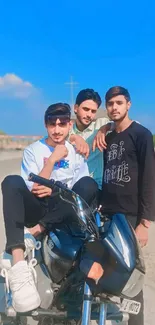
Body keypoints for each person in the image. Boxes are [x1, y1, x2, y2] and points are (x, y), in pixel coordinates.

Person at [0, 103, 98, 313]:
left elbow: (81, 191)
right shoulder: (33, 150)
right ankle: (18, 263)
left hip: (65, 208)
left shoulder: (77, 152)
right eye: (52, 124)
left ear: (69, 125)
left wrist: (54, 189)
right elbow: (36, 188)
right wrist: (52, 159)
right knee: (10, 181)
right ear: (45, 125)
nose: (57, 129)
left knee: (90, 185)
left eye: (62, 124)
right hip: (39, 207)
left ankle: (37, 231)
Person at [93, 86, 155, 325]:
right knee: (107, 271)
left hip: (130, 217)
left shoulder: (141, 135)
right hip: (107, 213)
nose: (114, 107)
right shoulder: (108, 135)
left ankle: (136, 322)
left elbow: (149, 179)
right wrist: (103, 127)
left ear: (128, 105)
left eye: (119, 103)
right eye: (110, 104)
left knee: (132, 275)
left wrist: (145, 222)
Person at [69, 88, 112, 190]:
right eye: (85, 109)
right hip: (70, 187)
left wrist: (105, 128)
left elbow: (132, 125)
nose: (89, 115)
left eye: (93, 111)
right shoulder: (66, 130)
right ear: (76, 108)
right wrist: (74, 137)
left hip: (96, 186)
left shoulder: (101, 124)